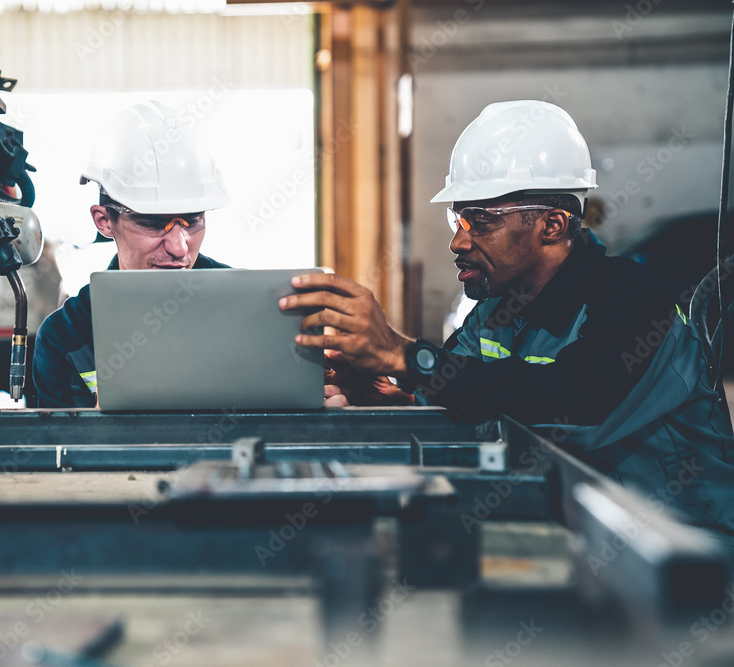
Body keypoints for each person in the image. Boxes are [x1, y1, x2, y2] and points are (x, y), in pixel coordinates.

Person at [281, 100, 734, 536]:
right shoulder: (497, 310)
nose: (458, 242)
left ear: (552, 225)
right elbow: (464, 402)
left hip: (691, 553)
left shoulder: (634, 304)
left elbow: (576, 409)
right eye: (457, 219)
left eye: (480, 220)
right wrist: (383, 397)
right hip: (581, 538)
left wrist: (405, 357)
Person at [33, 101, 230, 407]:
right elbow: (60, 451)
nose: (179, 248)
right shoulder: (66, 337)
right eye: (152, 222)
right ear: (104, 221)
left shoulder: (253, 309)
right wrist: (100, 426)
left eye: (192, 221)